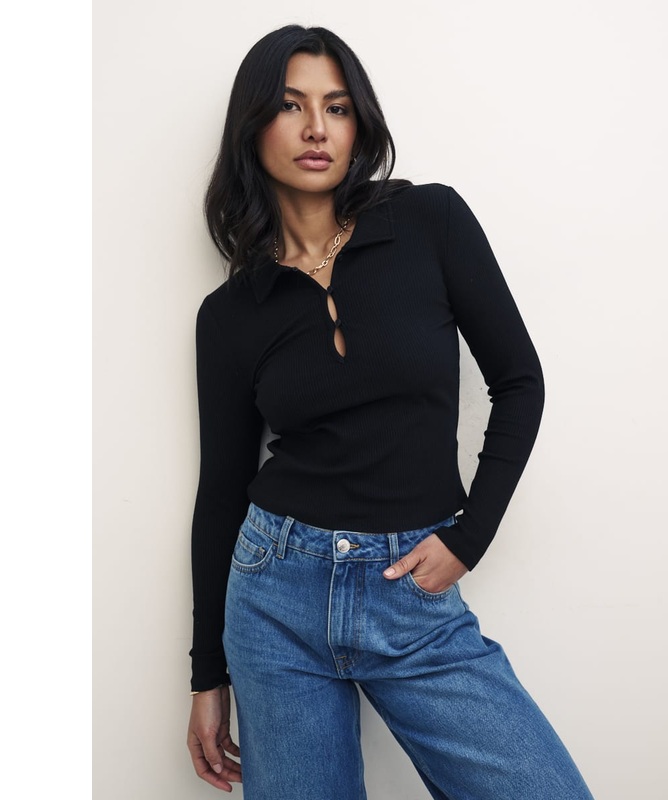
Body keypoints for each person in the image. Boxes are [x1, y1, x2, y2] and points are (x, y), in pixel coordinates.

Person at [186, 24, 595, 800]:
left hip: (412, 592)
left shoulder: (429, 223)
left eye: (337, 107)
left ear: (358, 124)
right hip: (276, 600)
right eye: (291, 105)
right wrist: (209, 675)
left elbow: (519, 381)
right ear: (253, 127)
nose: (317, 128)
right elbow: (222, 491)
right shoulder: (230, 314)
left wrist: (470, 537)